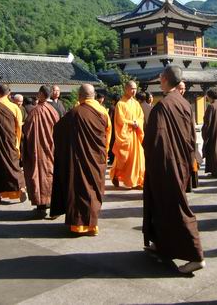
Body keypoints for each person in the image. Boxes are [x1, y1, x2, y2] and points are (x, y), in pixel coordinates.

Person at [143, 65, 205, 274]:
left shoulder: (162, 107)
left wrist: (151, 160)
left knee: (177, 208)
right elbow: (191, 137)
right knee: (162, 207)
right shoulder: (185, 104)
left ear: (164, 79)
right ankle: (161, 243)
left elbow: (154, 140)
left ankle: (196, 255)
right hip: (181, 163)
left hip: (166, 165)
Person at [50, 84, 111, 235]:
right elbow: (108, 136)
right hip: (97, 158)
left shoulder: (75, 112)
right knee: (93, 191)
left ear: (80, 96)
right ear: (93, 96)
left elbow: (57, 130)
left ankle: (78, 225)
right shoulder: (103, 112)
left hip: (78, 158)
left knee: (79, 189)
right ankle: (92, 226)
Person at [22, 85, 60, 216]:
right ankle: (51, 203)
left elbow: (27, 130)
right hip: (51, 147)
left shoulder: (35, 111)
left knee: (39, 176)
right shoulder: (53, 110)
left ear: (42, 95)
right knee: (50, 175)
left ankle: (41, 205)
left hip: (38, 149)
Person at [110, 80, 145, 189]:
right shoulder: (120, 104)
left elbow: (141, 117)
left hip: (135, 134)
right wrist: (132, 123)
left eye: (135, 89)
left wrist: (137, 123)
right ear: (126, 89)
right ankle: (115, 175)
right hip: (126, 135)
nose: (134, 91)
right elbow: (120, 120)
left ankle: (137, 181)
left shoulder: (136, 103)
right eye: (131, 89)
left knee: (137, 159)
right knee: (123, 158)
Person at [201, 86, 217, 178]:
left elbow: (207, 122)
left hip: (213, 132)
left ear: (210, 96)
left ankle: (215, 171)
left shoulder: (211, 106)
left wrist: (205, 133)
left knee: (214, 151)